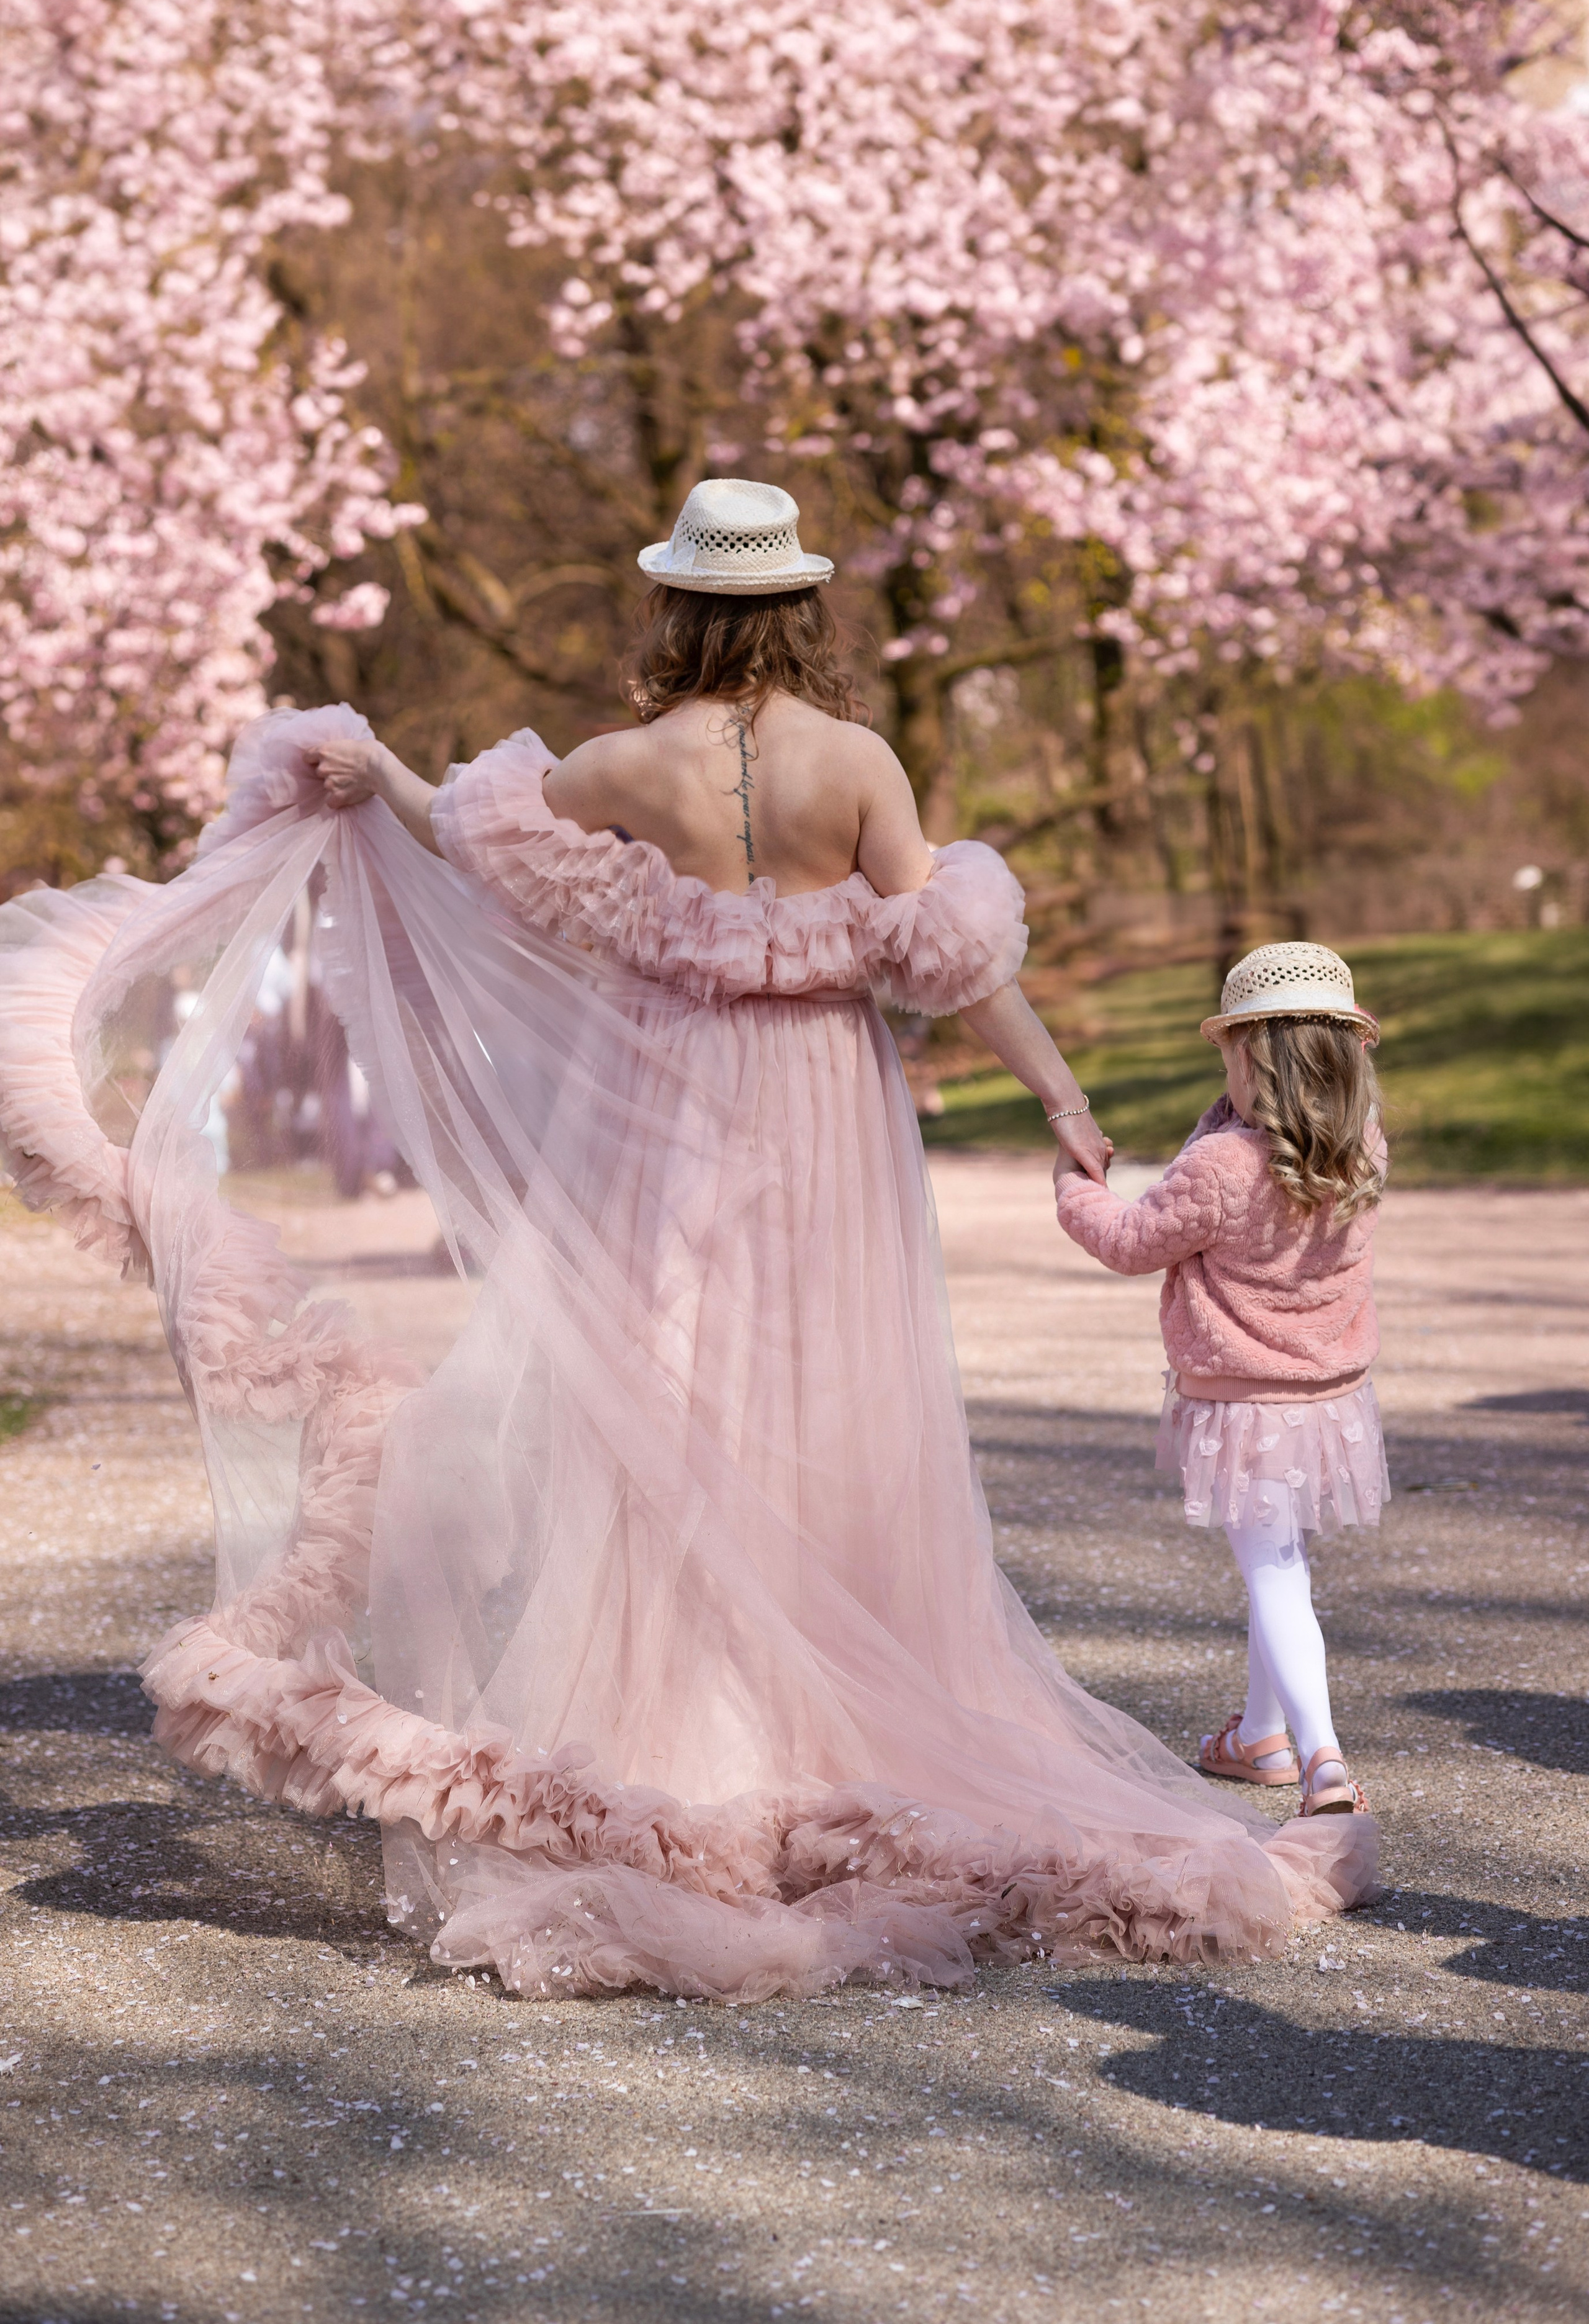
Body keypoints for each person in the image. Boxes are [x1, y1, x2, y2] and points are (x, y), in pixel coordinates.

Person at [0, 483, 1375, 1999]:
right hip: (824, 1112)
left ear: (681, 609)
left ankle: (696, 1724)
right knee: (828, 1407)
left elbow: (471, 849)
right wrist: (1059, 1097)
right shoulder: (854, 762)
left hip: (662, 1109)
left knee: (669, 1401)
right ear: (796, 608)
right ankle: (832, 1716)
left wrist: (380, 768)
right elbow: (951, 958)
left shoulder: (624, 763)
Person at [1053, 941, 1386, 1819]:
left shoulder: (1223, 1166)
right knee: (1276, 1558)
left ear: (1250, 1056)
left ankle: (1322, 1764)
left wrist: (1070, 1186)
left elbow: (1130, 1240)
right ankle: (1263, 1737)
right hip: (1325, 1396)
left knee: (1275, 1571)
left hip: (1249, 1403)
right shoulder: (1361, 1148)